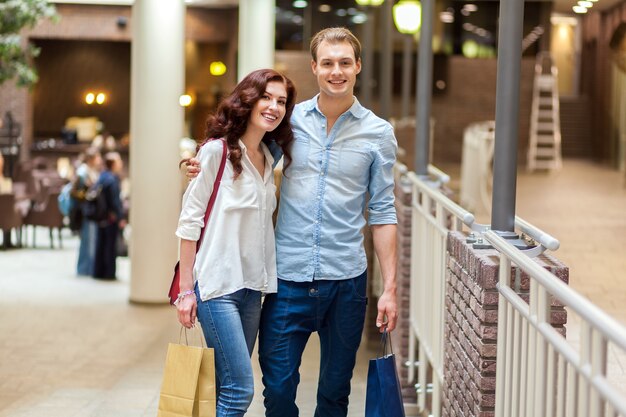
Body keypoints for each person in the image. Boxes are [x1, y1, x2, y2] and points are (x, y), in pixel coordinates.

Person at [185, 27, 399, 417]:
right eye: (328, 63)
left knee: (335, 394)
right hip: (287, 281)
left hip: (346, 283)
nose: (337, 71)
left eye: (345, 63)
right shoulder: (287, 122)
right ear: (315, 67)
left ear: (358, 67)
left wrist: (390, 288)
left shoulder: (379, 134)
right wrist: (202, 158)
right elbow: (241, 145)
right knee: (278, 391)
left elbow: (383, 212)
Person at [175, 69, 296, 417]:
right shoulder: (216, 153)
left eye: (281, 101)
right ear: (248, 100)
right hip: (217, 288)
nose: (273, 107)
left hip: (252, 290)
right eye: (266, 98)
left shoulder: (269, 158)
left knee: (223, 389)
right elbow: (189, 223)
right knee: (238, 391)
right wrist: (186, 291)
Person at [93, 152, 125, 280]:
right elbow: (115, 201)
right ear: (113, 164)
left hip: (100, 217)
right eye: (118, 161)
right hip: (110, 218)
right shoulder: (112, 180)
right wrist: (120, 217)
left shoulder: (102, 177)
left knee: (100, 244)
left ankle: (99, 271)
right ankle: (109, 273)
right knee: (110, 246)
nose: (121, 164)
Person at [74, 147, 102, 276]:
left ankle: (88, 268)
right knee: (87, 240)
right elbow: (75, 191)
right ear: (91, 159)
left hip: (91, 209)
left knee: (91, 239)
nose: (99, 160)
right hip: (86, 210)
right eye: (97, 157)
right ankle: (84, 269)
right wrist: (87, 194)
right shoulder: (83, 172)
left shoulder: (92, 171)